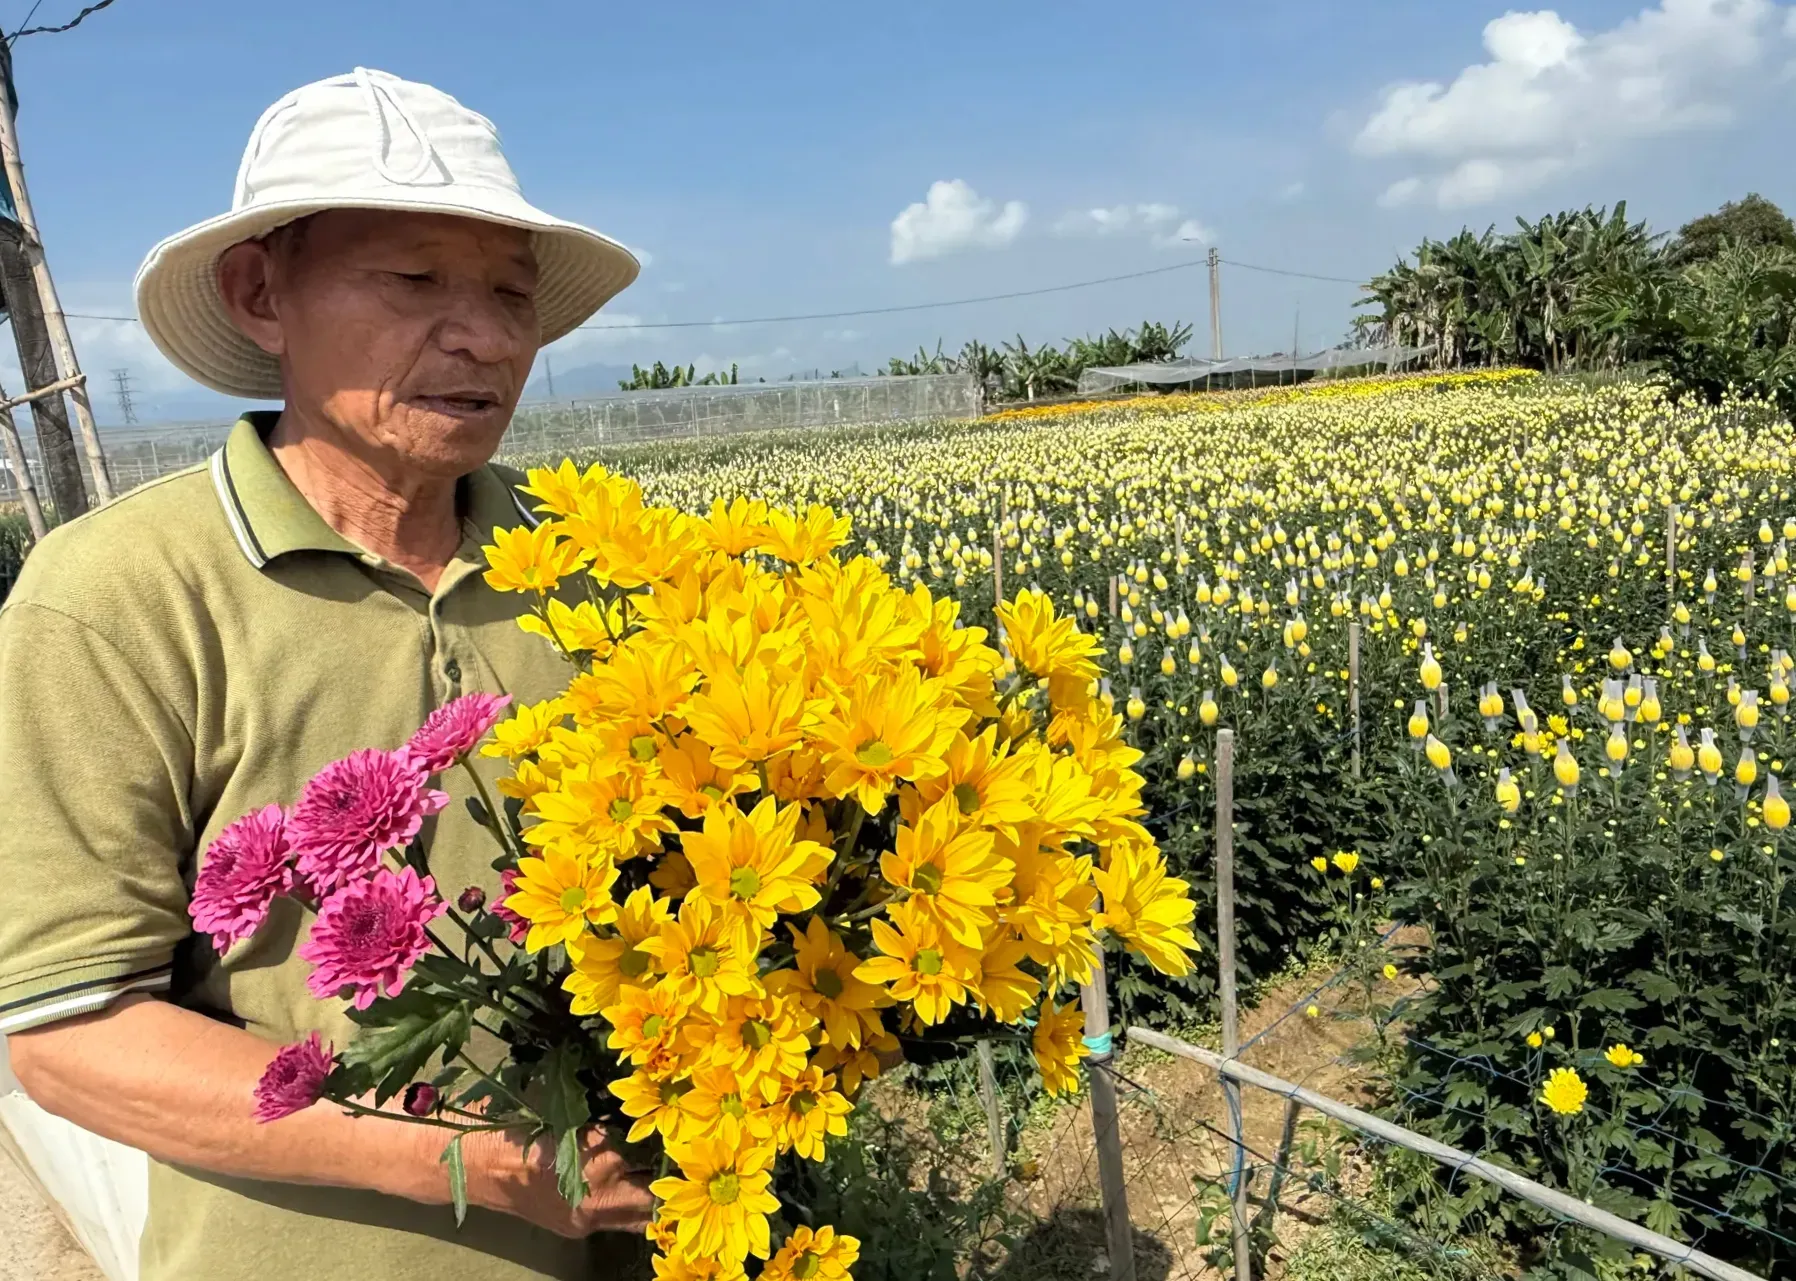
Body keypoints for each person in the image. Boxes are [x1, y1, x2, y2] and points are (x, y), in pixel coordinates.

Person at [0, 68, 655, 1280]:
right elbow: (68, 1030)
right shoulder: (115, 596)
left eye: (512, 296)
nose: (486, 337)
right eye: (414, 281)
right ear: (260, 294)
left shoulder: (593, 562)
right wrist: (464, 1157)